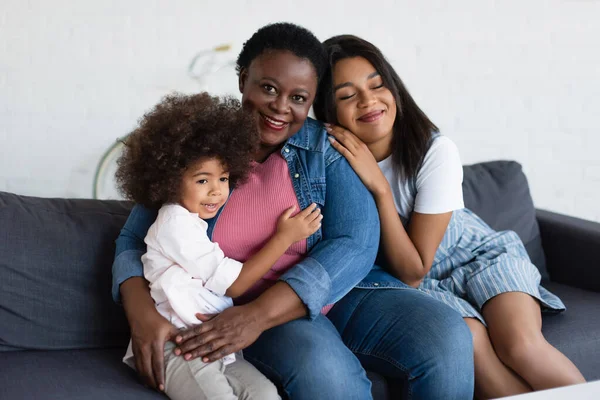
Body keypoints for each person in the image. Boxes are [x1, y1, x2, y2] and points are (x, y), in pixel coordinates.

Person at [112, 23, 474, 400]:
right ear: (243, 80)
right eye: (268, 88)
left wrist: (260, 315)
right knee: (327, 374)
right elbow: (133, 238)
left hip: (333, 294)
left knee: (445, 333)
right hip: (238, 305)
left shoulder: (325, 148)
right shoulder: (200, 144)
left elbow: (355, 242)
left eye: (299, 97)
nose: (281, 107)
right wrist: (141, 314)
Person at [313, 34, 586, 399]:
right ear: (328, 112)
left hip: (477, 258)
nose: (368, 101)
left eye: (378, 85)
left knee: (519, 345)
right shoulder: (331, 166)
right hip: (420, 287)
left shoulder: (433, 150)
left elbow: (416, 263)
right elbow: (410, 277)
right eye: (347, 95)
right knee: (471, 342)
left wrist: (379, 185)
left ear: (394, 89)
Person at [115, 92, 323, 399]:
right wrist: (284, 238)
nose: (216, 191)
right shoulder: (174, 223)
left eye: (223, 179)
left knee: (265, 394)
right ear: (171, 180)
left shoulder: (193, 223)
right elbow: (235, 285)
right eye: (202, 181)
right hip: (178, 345)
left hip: (216, 347)